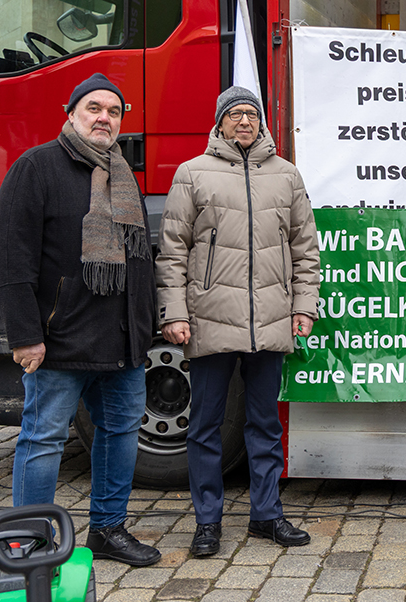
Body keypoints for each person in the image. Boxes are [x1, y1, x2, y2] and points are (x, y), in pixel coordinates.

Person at [0, 73, 160, 566]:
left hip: (122, 340)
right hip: (59, 341)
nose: (105, 117)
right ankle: (29, 539)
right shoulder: (37, 166)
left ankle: (107, 530)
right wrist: (25, 334)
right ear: (71, 113)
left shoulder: (124, 174)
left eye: (114, 110)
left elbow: (139, 262)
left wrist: (146, 325)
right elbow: (9, 257)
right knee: (42, 438)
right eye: (94, 108)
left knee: (121, 433)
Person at [155, 86, 320, 557]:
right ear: (220, 123)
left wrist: (303, 305)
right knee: (205, 426)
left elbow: (305, 249)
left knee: (265, 425)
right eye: (235, 114)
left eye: (252, 114)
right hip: (209, 320)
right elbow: (173, 252)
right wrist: (174, 313)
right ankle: (207, 522)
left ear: (261, 122)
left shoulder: (286, 175)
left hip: (269, 320)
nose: (244, 121)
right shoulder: (192, 174)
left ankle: (267, 515)